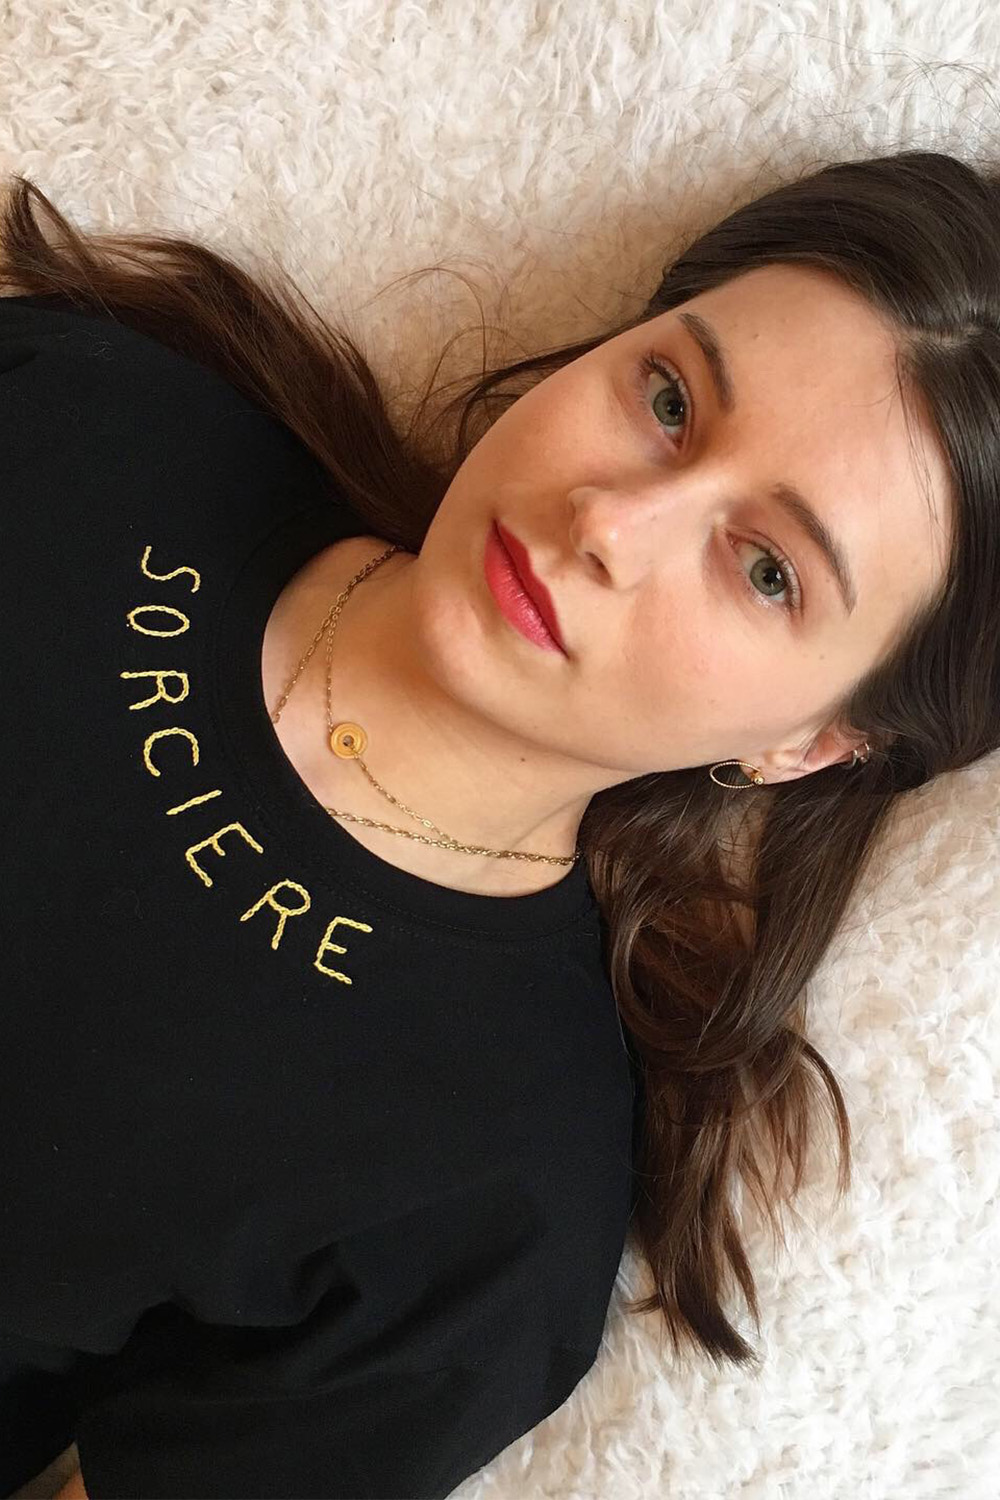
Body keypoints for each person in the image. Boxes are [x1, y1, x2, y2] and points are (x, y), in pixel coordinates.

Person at [1, 147, 995, 1498]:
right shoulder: (97, 413)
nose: (614, 524)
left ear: (811, 743)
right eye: (669, 399)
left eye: (767, 571)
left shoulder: (493, 1198)